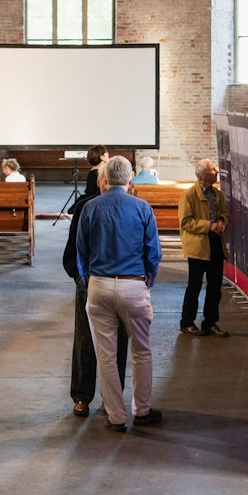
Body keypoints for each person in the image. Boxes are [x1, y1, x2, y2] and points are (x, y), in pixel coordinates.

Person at [76, 156, 163, 432]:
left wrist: (89, 279)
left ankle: (116, 416)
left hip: (99, 285)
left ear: (105, 179)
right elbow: (153, 252)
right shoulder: (142, 207)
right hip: (132, 283)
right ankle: (143, 409)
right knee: (141, 350)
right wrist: (148, 279)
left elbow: (81, 251)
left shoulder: (90, 207)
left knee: (106, 355)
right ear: (130, 179)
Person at [62, 179, 126, 418]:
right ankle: (81, 396)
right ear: (101, 183)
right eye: (105, 180)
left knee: (118, 343)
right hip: (89, 283)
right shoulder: (85, 207)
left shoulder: (134, 206)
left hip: (121, 283)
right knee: (85, 342)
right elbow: (73, 252)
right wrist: (81, 281)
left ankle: (113, 398)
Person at [178, 158, 228, 337]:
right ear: (203, 176)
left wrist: (222, 222)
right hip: (198, 246)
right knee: (195, 285)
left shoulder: (217, 194)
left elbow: (223, 213)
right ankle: (187, 322)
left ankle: (210, 322)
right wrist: (208, 225)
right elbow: (186, 222)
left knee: (215, 286)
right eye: (213, 169)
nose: (217, 171)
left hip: (215, 244)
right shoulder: (190, 195)